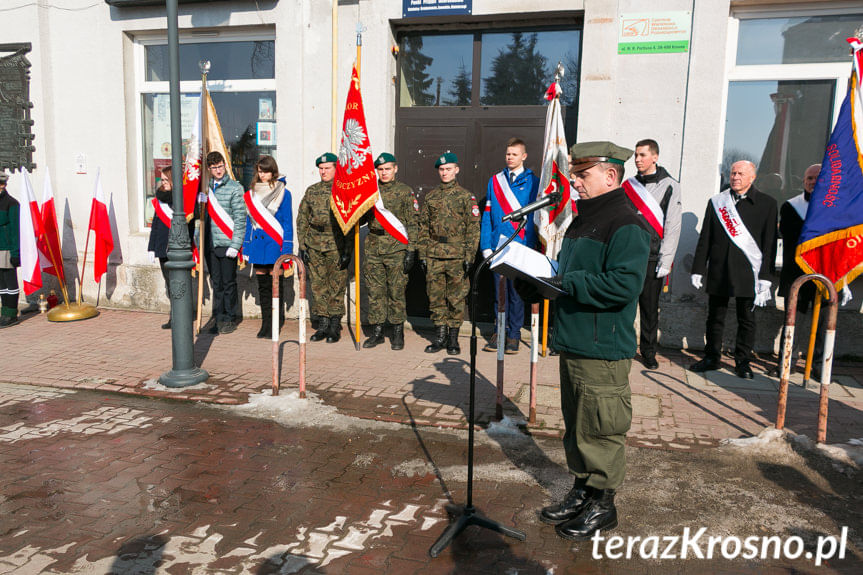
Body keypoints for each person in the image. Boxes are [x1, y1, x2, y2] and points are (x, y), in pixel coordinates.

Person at [516, 141, 650, 541]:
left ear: (611, 175)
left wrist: (565, 282)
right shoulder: (583, 218)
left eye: (582, 174)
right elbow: (569, 271)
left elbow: (624, 285)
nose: (573, 180)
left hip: (602, 347)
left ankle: (603, 505)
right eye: (574, 173)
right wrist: (539, 283)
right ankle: (582, 491)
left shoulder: (626, 222)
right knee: (578, 426)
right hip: (575, 340)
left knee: (601, 427)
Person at [690, 160, 778, 379]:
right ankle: (711, 357)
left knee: (746, 320)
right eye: (733, 173)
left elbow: (769, 244)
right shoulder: (718, 202)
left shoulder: (767, 204)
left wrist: (766, 276)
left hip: (749, 272)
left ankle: (742, 362)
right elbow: (706, 238)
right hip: (720, 270)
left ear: (752, 177)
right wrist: (698, 269)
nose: (735, 177)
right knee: (715, 317)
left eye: (740, 173)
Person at [480, 137, 540, 355]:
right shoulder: (495, 181)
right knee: (500, 293)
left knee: (516, 294)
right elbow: (487, 215)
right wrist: (486, 245)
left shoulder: (534, 182)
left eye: (514, 154)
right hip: (499, 246)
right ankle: (499, 331)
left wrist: (531, 247)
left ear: (524, 156)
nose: (510, 158)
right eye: (507, 154)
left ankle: (514, 334)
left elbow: (536, 217)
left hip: (521, 246)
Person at [418, 152, 480, 355]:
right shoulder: (431, 196)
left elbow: (473, 228)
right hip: (434, 253)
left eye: (448, 169)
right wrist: (423, 254)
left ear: (456, 170)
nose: (445, 173)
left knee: (456, 298)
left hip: (457, 254)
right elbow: (423, 227)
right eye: (442, 169)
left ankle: (453, 338)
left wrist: (469, 256)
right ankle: (440, 336)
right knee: (435, 297)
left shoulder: (465, 196)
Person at [629, 139, 682, 369]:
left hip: (652, 258)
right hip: (629, 256)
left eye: (642, 155)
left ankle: (648, 352)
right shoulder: (629, 184)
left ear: (655, 157)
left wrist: (666, 260)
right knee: (627, 305)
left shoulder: (670, 185)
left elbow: (673, 225)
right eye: (636, 155)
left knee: (649, 308)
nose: (638, 159)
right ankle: (625, 346)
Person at [361, 153, 419, 350]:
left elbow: (412, 222)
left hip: (396, 247)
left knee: (396, 291)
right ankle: (377, 332)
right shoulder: (370, 191)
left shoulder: (405, 191)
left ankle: (397, 332)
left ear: (395, 169)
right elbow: (361, 220)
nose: (384, 173)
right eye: (380, 169)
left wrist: (411, 250)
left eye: (387, 169)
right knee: (375, 291)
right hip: (373, 246)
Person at [297, 153, 350, 343]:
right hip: (314, 244)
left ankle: (335, 326)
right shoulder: (312, 191)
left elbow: (350, 224)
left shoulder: (344, 191)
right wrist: (302, 245)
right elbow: (302, 218)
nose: (323, 171)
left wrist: (347, 250)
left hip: (336, 244)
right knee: (318, 286)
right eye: (321, 168)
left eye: (327, 168)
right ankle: (323, 324)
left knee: (336, 286)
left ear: (336, 169)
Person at [242, 155, 294, 339]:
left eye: (265, 171)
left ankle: (275, 323)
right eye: (260, 171)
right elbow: (249, 223)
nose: (262, 174)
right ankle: (265, 323)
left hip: (274, 244)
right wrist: (246, 248)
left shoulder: (283, 193)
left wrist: (287, 249)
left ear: (273, 171)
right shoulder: (251, 193)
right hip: (257, 245)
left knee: (275, 287)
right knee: (262, 288)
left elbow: (287, 222)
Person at [203, 151, 246, 335]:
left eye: (220, 166)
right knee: (216, 282)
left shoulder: (235, 188)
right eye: (214, 168)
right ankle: (218, 316)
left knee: (229, 283)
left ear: (225, 165)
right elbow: (202, 221)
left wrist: (235, 245)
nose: (218, 170)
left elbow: (240, 219)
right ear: (209, 169)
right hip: (211, 244)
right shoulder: (205, 189)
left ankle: (229, 317)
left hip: (227, 244)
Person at [0, 173, 20, 328]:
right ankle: (4, 312)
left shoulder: (11, 203)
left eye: (2, 184)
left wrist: (15, 253)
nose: (1, 187)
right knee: (1, 283)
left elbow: (15, 230)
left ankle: (11, 314)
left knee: (10, 281)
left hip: (7, 249)